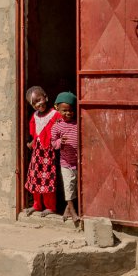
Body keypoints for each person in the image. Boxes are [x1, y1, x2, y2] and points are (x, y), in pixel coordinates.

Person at [23, 85, 59, 216]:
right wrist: (31, 142)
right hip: (37, 153)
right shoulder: (35, 116)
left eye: (39, 100)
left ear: (46, 97)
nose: (38, 104)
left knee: (47, 178)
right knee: (35, 178)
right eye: (34, 103)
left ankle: (50, 206)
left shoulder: (55, 114)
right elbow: (34, 133)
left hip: (49, 153)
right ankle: (37, 205)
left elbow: (61, 129)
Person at [50, 91, 79, 223]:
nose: (68, 113)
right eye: (64, 110)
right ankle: (73, 210)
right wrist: (60, 142)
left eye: (71, 110)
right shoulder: (57, 126)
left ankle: (68, 208)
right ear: (58, 109)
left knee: (76, 186)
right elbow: (53, 143)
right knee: (68, 186)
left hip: (78, 162)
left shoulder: (78, 124)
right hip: (66, 162)